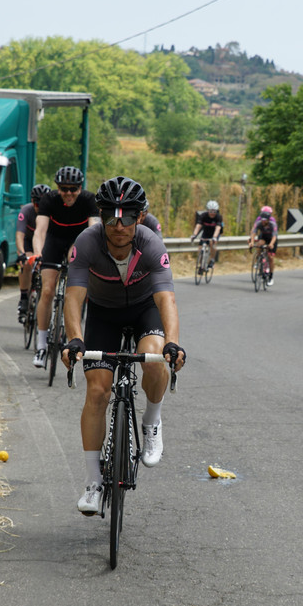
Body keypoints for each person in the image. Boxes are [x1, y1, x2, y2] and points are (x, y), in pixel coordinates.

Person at [61, 176, 186, 516]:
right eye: (111, 217)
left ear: (140, 217)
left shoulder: (151, 245)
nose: (118, 225)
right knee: (97, 391)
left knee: (155, 358)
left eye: (127, 217)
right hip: (103, 314)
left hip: (145, 309)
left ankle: (152, 420)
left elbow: (167, 300)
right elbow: (74, 299)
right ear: (101, 215)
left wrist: (173, 343)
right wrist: (74, 338)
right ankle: (92, 483)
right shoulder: (86, 243)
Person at [31, 166, 99, 368]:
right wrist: (37, 253)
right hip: (54, 240)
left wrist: (87, 253)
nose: (68, 193)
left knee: (72, 291)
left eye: (73, 189)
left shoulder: (89, 200)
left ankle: (69, 336)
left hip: (77, 241)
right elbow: (40, 231)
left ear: (80, 188)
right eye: (64, 188)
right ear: (57, 188)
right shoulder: (49, 200)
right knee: (48, 290)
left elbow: (94, 228)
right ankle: (42, 346)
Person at [15, 191, 45, 322]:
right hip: (28, 241)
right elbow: (19, 235)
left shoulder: (51, 211)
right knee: (27, 263)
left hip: (45, 241)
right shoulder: (26, 210)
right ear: (32, 202)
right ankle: (24, 298)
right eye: (37, 203)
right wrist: (21, 253)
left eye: (43, 204)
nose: (39, 207)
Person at [248, 205, 279, 285]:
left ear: (268, 219)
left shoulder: (273, 223)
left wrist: (271, 244)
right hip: (264, 236)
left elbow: (274, 236)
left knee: (270, 257)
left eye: (265, 220)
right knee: (259, 244)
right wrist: (251, 241)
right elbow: (254, 232)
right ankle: (259, 259)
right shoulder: (259, 221)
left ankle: (271, 277)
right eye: (262, 220)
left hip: (272, 238)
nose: (263, 222)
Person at [190, 200, 223, 267]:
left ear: (217, 211)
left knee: (212, 243)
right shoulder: (203, 216)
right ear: (207, 210)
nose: (212, 213)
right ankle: (201, 263)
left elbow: (218, 228)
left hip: (215, 233)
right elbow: (198, 225)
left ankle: (212, 259)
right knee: (200, 247)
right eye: (210, 211)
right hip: (206, 232)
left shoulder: (218, 217)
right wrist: (194, 235)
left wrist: (214, 237)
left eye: (214, 211)